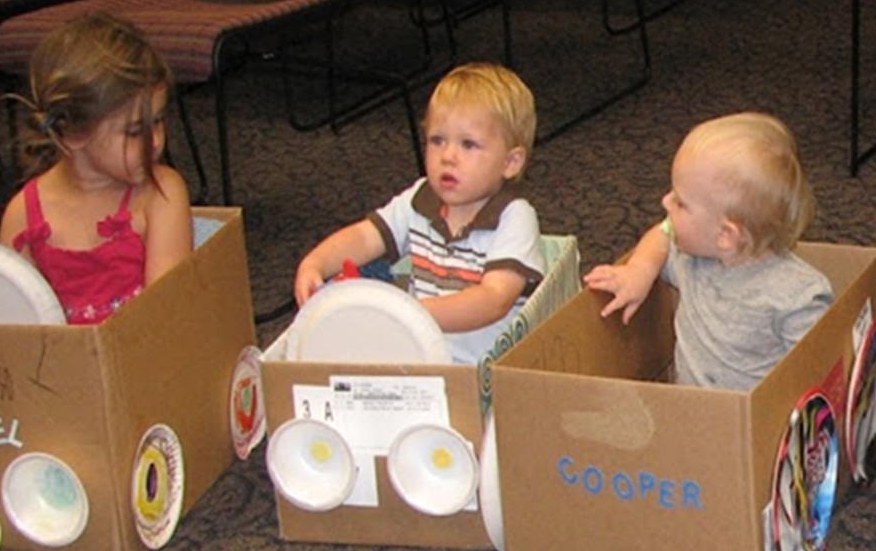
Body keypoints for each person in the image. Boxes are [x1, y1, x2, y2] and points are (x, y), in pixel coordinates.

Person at [295, 63, 546, 365]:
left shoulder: (514, 217)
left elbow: (494, 300)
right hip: (417, 354)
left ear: (511, 162)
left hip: (484, 370)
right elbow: (365, 236)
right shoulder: (420, 198)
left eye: (468, 144)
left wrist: (411, 312)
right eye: (437, 140)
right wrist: (315, 264)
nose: (448, 156)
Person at [584, 112, 834, 391]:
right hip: (697, 415)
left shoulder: (796, 295)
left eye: (680, 202)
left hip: (755, 426)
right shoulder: (693, 257)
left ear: (725, 235)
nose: (665, 201)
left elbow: (820, 372)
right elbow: (662, 235)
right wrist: (639, 270)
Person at [0, 12, 193, 325]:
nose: (155, 141)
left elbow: (164, 317)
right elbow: (16, 324)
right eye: (134, 131)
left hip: (144, 358)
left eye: (158, 121)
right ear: (74, 134)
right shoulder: (22, 214)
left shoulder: (161, 193)